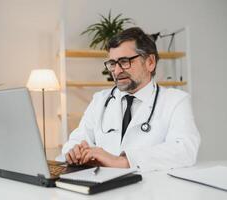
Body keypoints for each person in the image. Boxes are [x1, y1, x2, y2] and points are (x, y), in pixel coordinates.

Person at [61, 27, 200, 172]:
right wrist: (74, 151)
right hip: (102, 190)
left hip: (151, 192)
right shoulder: (100, 100)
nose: (117, 71)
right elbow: (78, 139)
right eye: (113, 64)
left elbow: (185, 150)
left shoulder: (175, 101)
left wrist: (123, 161)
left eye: (124, 61)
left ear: (150, 62)